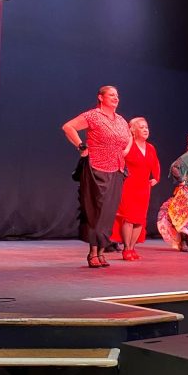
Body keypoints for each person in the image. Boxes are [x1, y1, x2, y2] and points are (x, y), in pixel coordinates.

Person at [62, 85, 132, 268]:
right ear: (101, 97)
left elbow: (129, 137)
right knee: (96, 210)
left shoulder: (121, 120)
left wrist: (124, 151)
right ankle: (93, 252)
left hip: (117, 169)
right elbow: (68, 127)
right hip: (97, 168)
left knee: (109, 212)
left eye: (117, 95)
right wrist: (81, 147)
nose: (116, 98)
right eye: (111, 95)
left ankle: (101, 251)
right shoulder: (93, 116)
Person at [111, 117, 160, 261]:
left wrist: (156, 178)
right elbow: (118, 159)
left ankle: (132, 248)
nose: (145, 130)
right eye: (142, 127)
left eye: (147, 127)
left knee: (139, 219)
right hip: (129, 185)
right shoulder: (128, 145)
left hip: (144, 187)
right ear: (133, 130)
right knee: (129, 218)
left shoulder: (151, 148)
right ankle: (126, 248)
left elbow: (155, 164)